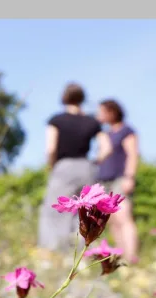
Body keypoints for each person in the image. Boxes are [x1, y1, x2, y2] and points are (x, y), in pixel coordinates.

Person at [38, 83, 112, 252]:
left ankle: (54, 251)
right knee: (86, 212)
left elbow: (50, 148)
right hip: (87, 168)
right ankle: (80, 253)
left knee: (55, 211)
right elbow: (106, 148)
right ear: (82, 99)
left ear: (64, 98)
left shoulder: (56, 120)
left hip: (64, 166)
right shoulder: (92, 122)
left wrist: (52, 167)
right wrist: (95, 162)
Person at [96, 99, 140, 263]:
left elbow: (133, 154)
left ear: (112, 112)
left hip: (119, 178)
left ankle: (131, 256)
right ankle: (120, 257)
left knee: (124, 217)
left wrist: (129, 177)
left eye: (101, 111)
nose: (98, 115)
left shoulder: (127, 131)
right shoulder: (106, 134)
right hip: (104, 179)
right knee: (113, 220)